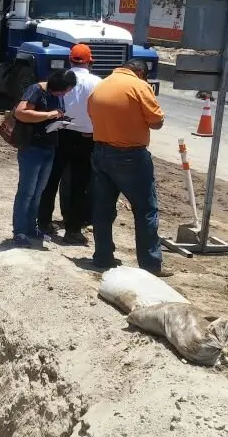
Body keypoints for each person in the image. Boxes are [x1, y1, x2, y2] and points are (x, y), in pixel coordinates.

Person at [87, 59, 171, 276]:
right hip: (130, 156)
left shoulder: (102, 85)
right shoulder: (140, 86)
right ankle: (150, 265)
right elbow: (156, 122)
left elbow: (92, 114)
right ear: (141, 72)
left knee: (103, 208)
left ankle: (102, 257)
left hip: (100, 152)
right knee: (145, 210)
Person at [37, 44, 102, 245]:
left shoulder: (60, 78)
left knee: (51, 179)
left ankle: (43, 222)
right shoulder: (98, 82)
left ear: (70, 59)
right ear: (90, 61)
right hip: (85, 137)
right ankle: (73, 229)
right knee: (79, 184)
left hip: (60, 133)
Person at [12, 70, 78, 246]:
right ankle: (19, 231)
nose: (64, 95)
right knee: (26, 191)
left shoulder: (57, 95)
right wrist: (49, 115)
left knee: (38, 192)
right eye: (63, 91)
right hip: (32, 147)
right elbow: (20, 113)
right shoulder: (36, 90)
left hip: (50, 147)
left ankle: (31, 227)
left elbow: (57, 111)